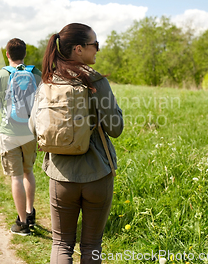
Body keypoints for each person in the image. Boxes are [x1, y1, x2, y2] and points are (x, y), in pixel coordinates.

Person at [28, 23, 124, 263]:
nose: (98, 50)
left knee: (61, 244)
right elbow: (116, 128)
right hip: (97, 175)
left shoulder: (48, 82)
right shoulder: (96, 81)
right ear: (79, 49)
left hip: (60, 176)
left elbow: (33, 127)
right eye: (95, 45)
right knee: (91, 245)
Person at [0, 38, 42, 236]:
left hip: (9, 133)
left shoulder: (0, 75)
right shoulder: (36, 74)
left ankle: (22, 224)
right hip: (30, 132)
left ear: (7, 54)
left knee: (16, 177)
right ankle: (30, 213)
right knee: (29, 173)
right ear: (25, 54)